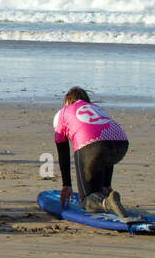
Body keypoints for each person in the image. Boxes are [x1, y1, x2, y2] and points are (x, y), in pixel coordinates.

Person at [53, 87, 130, 217]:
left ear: (68, 102)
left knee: (85, 200)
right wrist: (107, 183)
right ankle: (106, 196)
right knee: (98, 183)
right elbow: (106, 139)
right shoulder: (98, 109)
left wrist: (66, 185)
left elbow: (63, 152)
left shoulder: (63, 112)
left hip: (91, 146)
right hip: (121, 143)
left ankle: (107, 203)